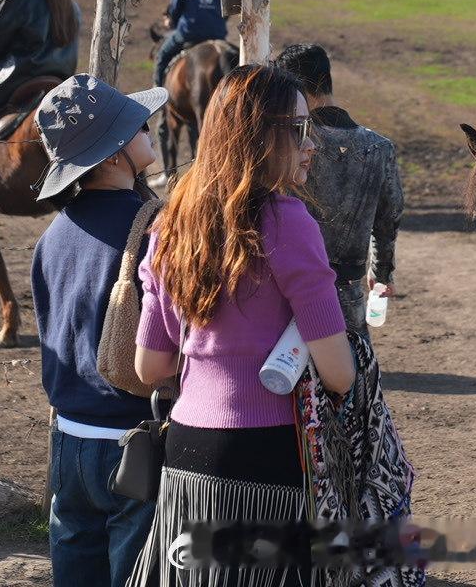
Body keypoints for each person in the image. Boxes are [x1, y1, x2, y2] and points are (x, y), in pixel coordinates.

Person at [132, 65, 353, 587]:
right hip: (265, 456)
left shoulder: (170, 223)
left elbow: (150, 366)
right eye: (299, 129)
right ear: (263, 135)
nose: (311, 144)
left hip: (186, 454)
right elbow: (339, 374)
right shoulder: (289, 221)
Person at [31, 73, 169, 586]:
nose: (148, 127)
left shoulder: (51, 237)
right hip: (134, 440)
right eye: (137, 126)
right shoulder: (155, 228)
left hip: (68, 440)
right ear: (112, 154)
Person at [272, 43, 404, 335]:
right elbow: (387, 223)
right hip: (349, 300)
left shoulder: (287, 146)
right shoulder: (380, 148)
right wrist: (381, 274)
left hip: (287, 297)